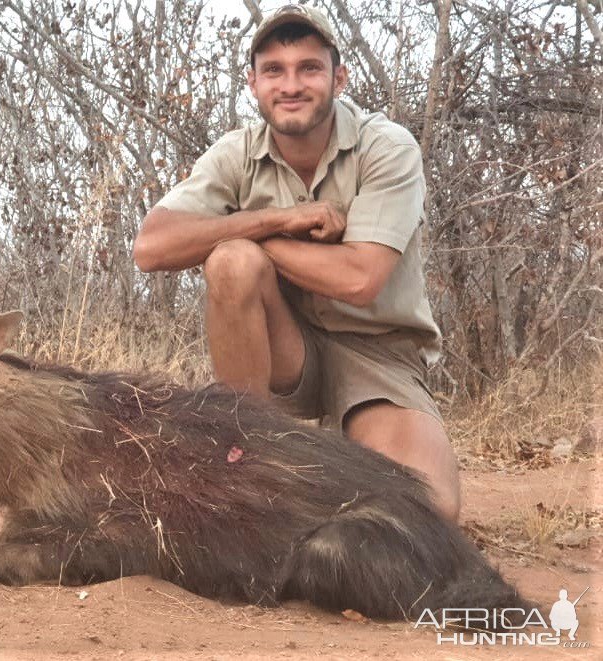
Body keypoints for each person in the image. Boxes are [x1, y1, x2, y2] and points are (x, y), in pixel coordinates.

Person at [133, 5, 460, 520]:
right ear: (253, 83)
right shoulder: (234, 153)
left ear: (338, 76)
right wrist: (276, 220)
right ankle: (247, 454)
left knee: (424, 516)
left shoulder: (387, 147)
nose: (291, 85)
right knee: (231, 264)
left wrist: (250, 231)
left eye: (309, 68)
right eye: (274, 70)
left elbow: (359, 280)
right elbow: (150, 249)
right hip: (284, 353)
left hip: (378, 354)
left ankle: (327, 467)